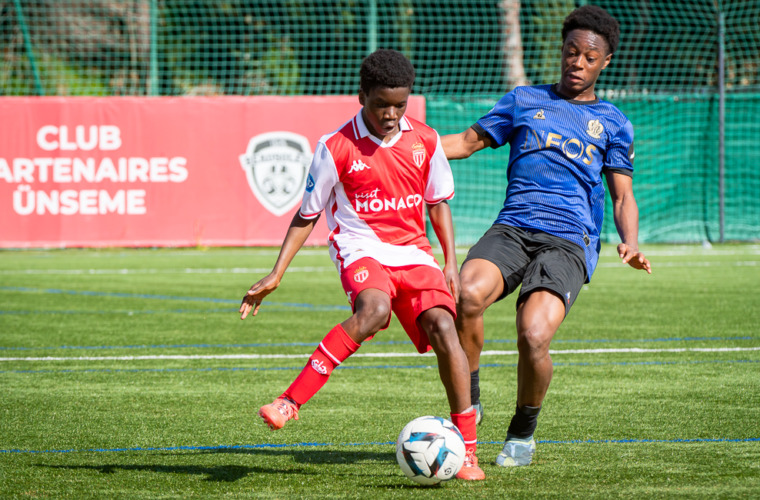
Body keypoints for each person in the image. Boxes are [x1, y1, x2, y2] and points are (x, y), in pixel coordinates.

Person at [240, 49, 484, 480]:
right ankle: (289, 402)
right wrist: (277, 273)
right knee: (374, 310)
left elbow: (437, 203)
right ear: (361, 96)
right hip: (360, 247)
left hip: (414, 252)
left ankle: (467, 451)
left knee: (446, 328)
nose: (390, 115)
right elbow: (307, 214)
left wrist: (450, 261)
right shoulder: (335, 147)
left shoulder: (425, 140)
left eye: (399, 105)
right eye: (380, 105)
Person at [442, 5, 652, 468]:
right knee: (466, 295)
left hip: (569, 241)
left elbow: (622, 197)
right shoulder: (523, 100)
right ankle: (469, 403)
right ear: (562, 51)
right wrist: (408, 148)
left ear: (605, 62)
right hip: (513, 227)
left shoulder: (613, 122)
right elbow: (466, 142)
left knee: (533, 335)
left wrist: (631, 242)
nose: (578, 62)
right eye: (571, 52)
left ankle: (522, 432)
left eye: (589, 57)